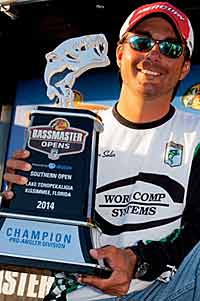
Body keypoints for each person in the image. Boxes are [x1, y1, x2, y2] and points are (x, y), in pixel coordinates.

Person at [3, 2, 200, 300]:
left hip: (161, 290)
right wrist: (16, 200)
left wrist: (138, 261)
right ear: (120, 54)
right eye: (142, 42)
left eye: (171, 48)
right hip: (81, 292)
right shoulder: (75, 133)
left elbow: (194, 231)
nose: (153, 54)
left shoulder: (196, 134)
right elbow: (36, 232)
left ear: (184, 67)